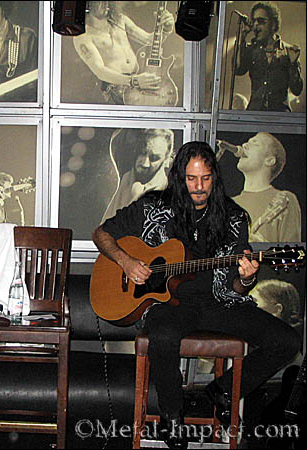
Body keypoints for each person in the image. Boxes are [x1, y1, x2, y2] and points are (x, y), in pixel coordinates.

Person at [92, 141, 301, 449]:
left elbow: (236, 287)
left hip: (218, 302)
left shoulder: (234, 218)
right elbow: (101, 233)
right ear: (180, 177)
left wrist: (247, 278)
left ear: (215, 176)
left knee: (287, 341)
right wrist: (126, 261)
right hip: (169, 303)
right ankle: (172, 417)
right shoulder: (153, 206)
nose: (199, 187)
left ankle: (222, 391)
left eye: (205, 178)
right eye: (191, 178)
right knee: (163, 335)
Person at [73, 1, 176, 105]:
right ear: (88, 4)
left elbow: (148, 40)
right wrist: (133, 81)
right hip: (116, 88)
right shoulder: (82, 35)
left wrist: (165, 30)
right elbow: (99, 70)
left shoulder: (120, 20)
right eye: (100, 2)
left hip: (138, 82)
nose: (106, 4)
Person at [220, 132, 301, 242]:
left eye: (255, 143)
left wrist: (260, 246)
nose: (244, 145)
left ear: (269, 160)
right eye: (247, 142)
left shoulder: (285, 200)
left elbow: (291, 249)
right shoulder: (228, 204)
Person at [235, 1, 303, 112]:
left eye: (261, 21)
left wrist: (293, 64)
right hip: (254, 112)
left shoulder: (288, 51)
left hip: (279, 114)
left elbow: (297, 90)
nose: (256, 25)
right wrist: (241, 38)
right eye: (254, 21)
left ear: (274, 24)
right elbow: (238, 70)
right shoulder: (251, 50)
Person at [101, 128, 175, 222]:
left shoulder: (164, 198)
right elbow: (118, 137)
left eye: (154, 158)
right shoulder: (127, 173)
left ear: (167, 161)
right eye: (142, 153)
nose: (144, 164)